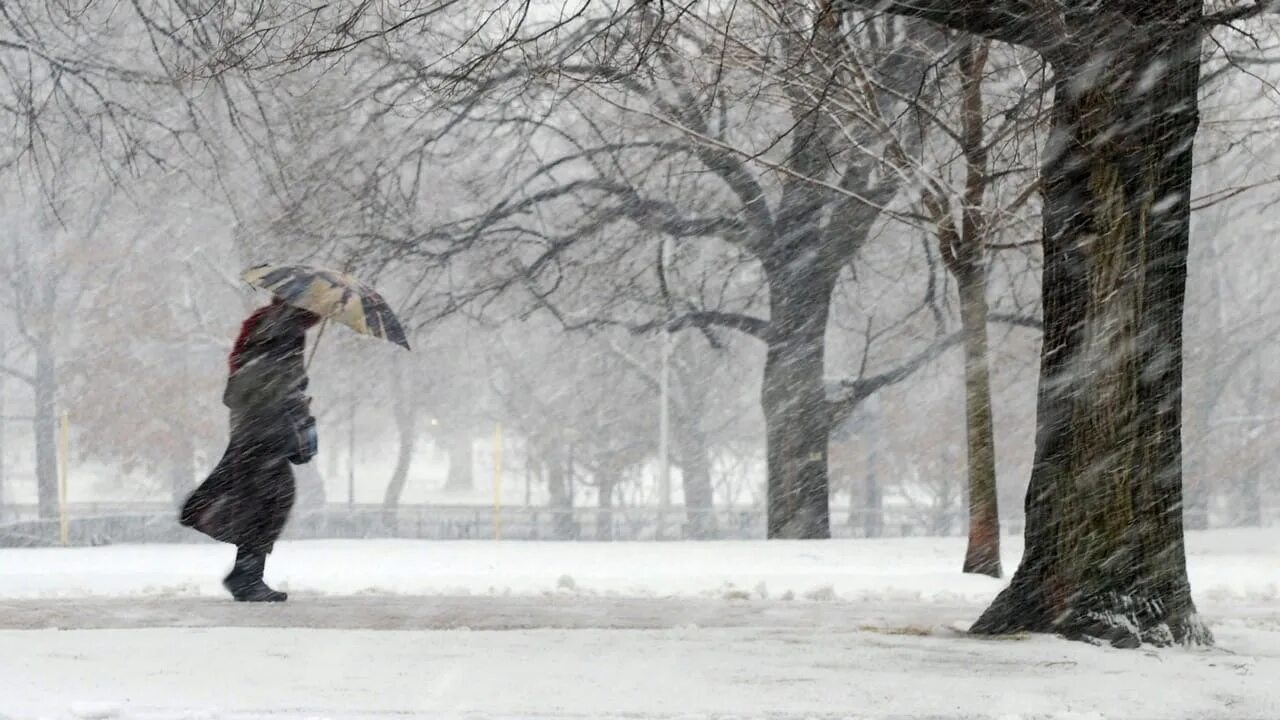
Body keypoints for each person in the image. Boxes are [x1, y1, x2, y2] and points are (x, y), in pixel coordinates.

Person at [180, 297, 322, 602]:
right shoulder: (286, 328)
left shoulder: (269, 324)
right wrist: (294, 393)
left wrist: (293, 388)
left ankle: (245, 574)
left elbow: (251, 378)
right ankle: (245, 576)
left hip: (252, 428)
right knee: (269, 502)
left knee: (262, 501)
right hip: (263, 430)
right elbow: (272, 379)